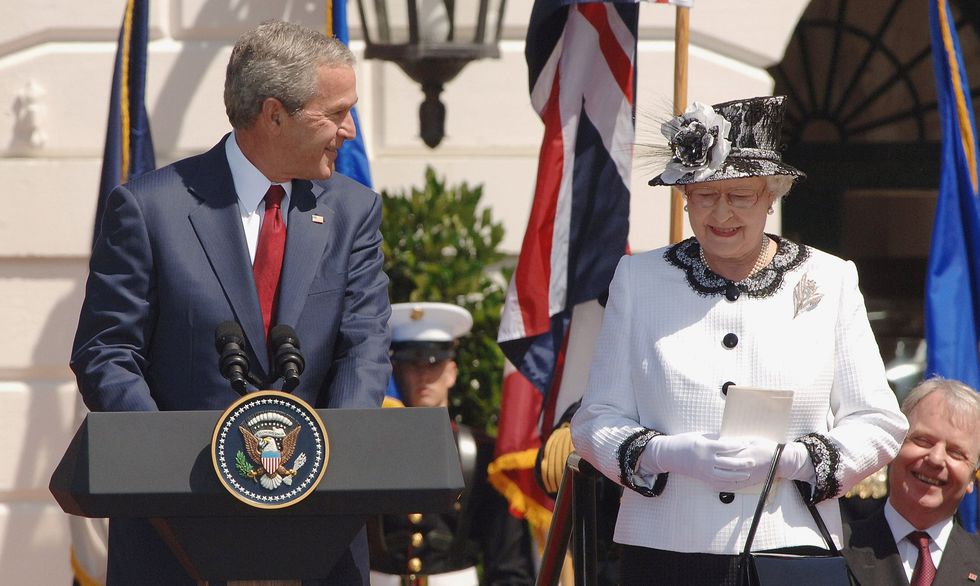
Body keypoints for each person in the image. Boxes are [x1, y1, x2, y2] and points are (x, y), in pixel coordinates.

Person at [69, 20, 391, 585]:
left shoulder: (353, 211)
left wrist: (327, 473)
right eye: (336, 112)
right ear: (274, 114)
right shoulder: (149, 210)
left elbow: (363, 348)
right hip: (174, 535)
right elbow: (106, 352)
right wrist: (170, 470)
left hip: (320, 536)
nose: (350, 130)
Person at [569, 95, 909, 585]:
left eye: (741, 196)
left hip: (791, 547)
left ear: (772, 196)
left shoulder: (829, 280)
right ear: (685, 197)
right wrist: (668, 454)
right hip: (667, 552)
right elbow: (594, 421)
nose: (721, 213)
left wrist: (792, 461)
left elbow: (879, 423)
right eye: (705, 195)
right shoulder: (638, 279)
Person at [368, 302, 535, 586]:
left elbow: (508, 565)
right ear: (395, 371)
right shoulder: (370, 448)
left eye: (434, 364)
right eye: (411, 364)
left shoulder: (484, 454)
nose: (423, 375)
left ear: (452, 372)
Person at [844, 377, 980, 585]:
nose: (935, 459)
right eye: (923, 441)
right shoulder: (833, 550)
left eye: (955, 453)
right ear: (894, 446)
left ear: (972, 477)